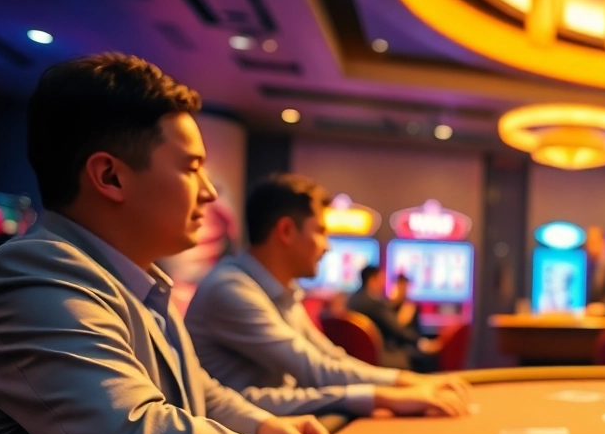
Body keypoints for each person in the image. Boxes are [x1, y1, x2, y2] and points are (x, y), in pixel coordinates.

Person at [0, 54, 406, 434]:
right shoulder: (35, 272)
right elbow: (129, 431)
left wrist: (263, 426)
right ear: (110, 177)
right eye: (191, 167)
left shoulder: (136, 278)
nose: (210, 191)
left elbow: (199, 392)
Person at [186, 174, 470, 417]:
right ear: (285, 231)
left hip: (271, 429)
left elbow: (330, 358)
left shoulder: (281, 291)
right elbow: (316, 370)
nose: (328, 247)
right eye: (321, 231)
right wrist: (390, 392)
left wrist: (404, 381)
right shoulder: (231, 289)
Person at [348, 265, 442, 371]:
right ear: (372, 279)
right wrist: (422, 344)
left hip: (356, 355)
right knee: (426, 359)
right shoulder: (374, 303)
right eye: (381, 279)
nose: (383, 283)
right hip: (381, 355)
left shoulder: (353, 299)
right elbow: (397, 329)